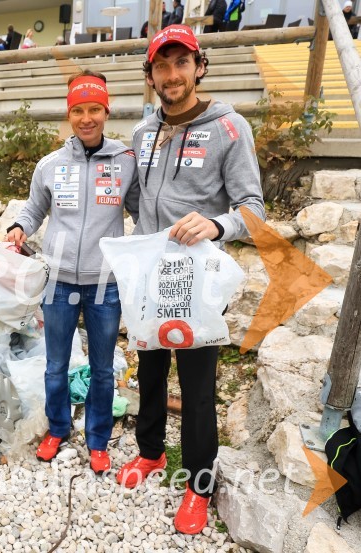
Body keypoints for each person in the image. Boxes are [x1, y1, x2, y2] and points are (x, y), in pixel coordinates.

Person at [116, 25, 265, 535]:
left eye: (182, 63)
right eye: (162, 65)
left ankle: (199, 484)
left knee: (197, 385)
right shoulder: (142, 133)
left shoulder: (230, 128)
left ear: (199, 67)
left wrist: (216, 224)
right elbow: (135, 197)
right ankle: (152, 453)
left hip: (197, 280)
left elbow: (254, 210)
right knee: (151, 370)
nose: (172, 74)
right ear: (151, 74)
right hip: (151, 275)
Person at [6, 69, 140, 470]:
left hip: (106, 285)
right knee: (55, 366)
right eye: (78, 110)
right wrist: (18, 227)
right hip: (59, 283)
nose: (87, 118)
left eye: (94, 109)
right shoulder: (50, 165)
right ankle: (58, 428)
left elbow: (142, 211)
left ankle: (98, 439)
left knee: (102, 368)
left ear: (106, 111)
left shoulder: (125, 161)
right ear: (69, 114)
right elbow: (33, 209)